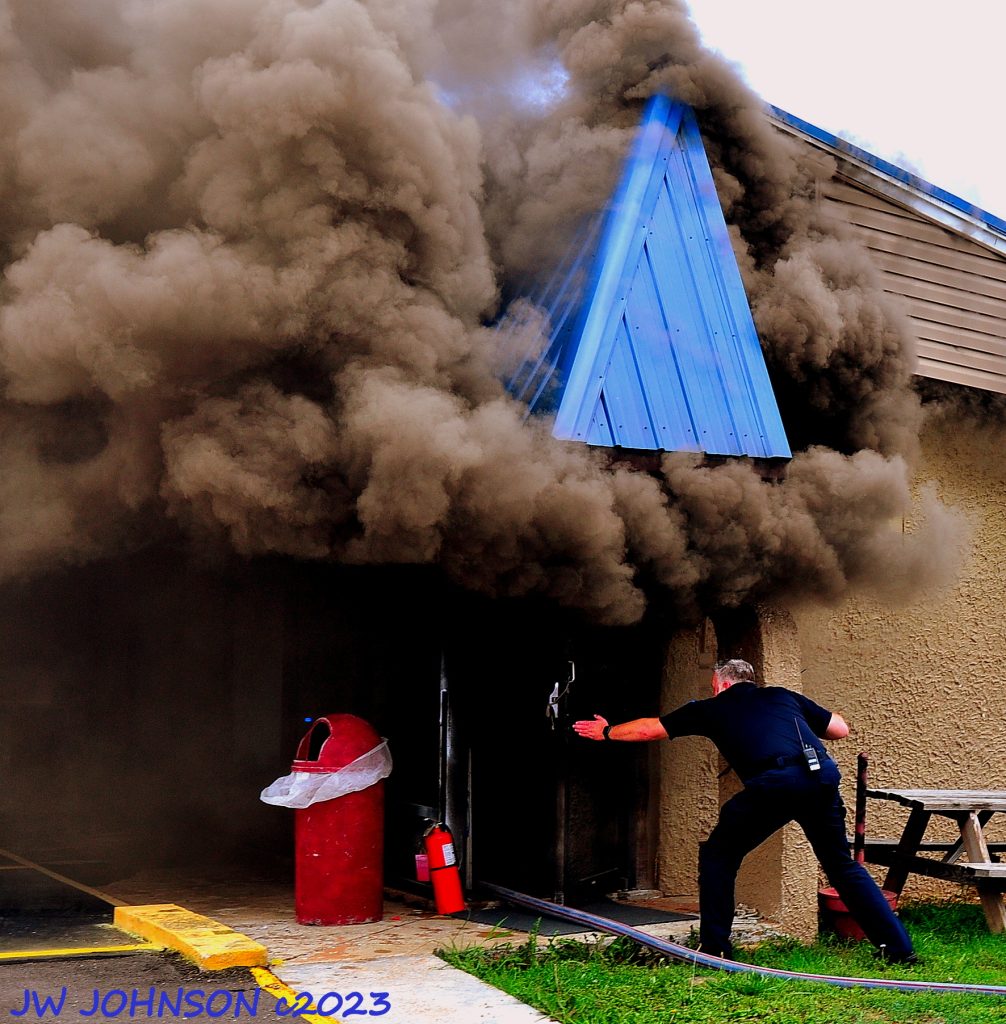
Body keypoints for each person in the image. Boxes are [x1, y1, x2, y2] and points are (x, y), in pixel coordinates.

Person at [572, 658, 916, 964]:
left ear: (722, 684)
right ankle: (899, 950)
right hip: (820, 779)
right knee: (841, 866)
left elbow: (651, 728)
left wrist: (606, 732)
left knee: (718, 857)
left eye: (714, 685)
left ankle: (715, 949)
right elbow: (839, 729)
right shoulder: (784, 696)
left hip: (775, 784)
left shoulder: (711, 707)